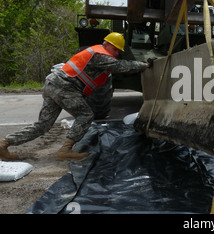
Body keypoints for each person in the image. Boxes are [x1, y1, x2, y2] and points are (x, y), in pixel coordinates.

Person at [0, 32, 151, 161]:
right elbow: (120, 66)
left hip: (54, 84)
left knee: (43, 125)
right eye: (115, 48)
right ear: (106, 44)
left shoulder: (99, 54)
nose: (117, 52)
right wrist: (144, 66)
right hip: (63, 87)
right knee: (86, 115)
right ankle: (65, 151)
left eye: (119, 51)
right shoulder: (100, 54)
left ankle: (4, 143)